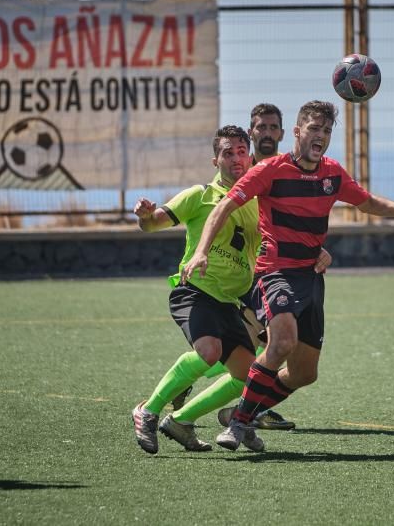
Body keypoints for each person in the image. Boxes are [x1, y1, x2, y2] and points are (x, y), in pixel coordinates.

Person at [180, 100, 394, 452]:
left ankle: (247, 410)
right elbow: (224, 206)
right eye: (314, 129)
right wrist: (202, 251)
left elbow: (365, 202)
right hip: (274, 273)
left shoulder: (332, 173)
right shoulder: (271, 170)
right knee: (280, 343)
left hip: (311, 277)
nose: (321, 136)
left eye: (327, 131)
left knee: (304, 373)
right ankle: (239, 424)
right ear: (297, 132)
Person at [131, 125, 330, 454]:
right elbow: (154, 223)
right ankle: (147, 411)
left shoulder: (256, 200)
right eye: (228, 152)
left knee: (247, 375)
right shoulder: (200, 195)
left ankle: (181, 421)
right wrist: (146, 216)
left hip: (232, 301)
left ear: (249, 156)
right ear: (215, 160)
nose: (236, 158)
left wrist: (317, 250)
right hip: (195, 291)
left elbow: (283, 236)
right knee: (208, 351)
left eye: (241, 151)